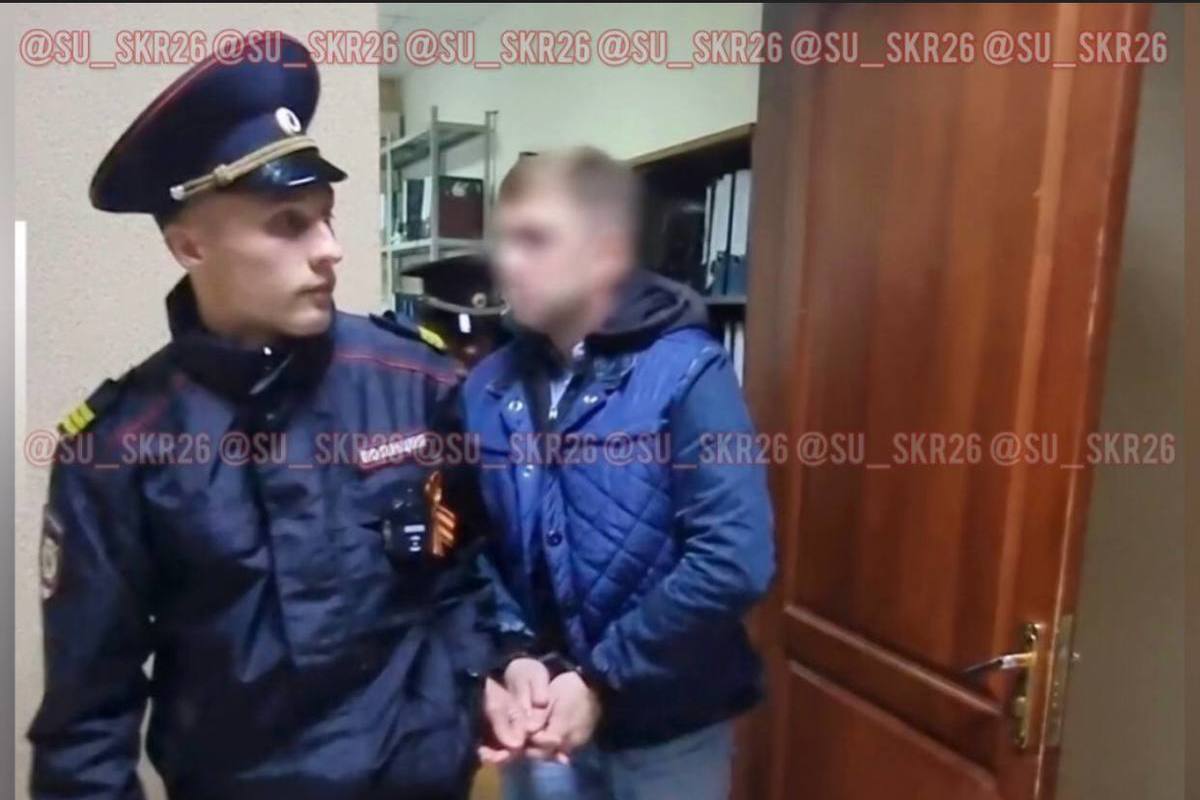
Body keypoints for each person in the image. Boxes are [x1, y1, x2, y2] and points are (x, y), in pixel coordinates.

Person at [27, 33, 528, 800]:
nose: (330, 249)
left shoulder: (414, 380)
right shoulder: (120, 449)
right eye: (289, 223)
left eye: (326, 217)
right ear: (190, 245)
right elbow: (86, 728)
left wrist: (479, 676)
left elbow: (463, 571)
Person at [464, 147, 776, 799]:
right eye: (504, 241)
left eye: (535, 240)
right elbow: (473, 544)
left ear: (605, 252)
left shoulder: (689, 372)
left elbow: (734, 557)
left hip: (666, 731)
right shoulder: (486, 388)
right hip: (542, 723)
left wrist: (603, 676)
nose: (508, 262)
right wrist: (513, 652)